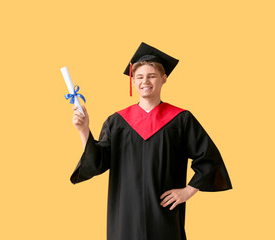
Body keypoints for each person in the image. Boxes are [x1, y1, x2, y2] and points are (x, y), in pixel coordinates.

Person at [70, 42, 232, 240]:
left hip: (164, 214)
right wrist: (84, 129)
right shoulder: (117, 121)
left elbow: (209, 157)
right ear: (133, 81)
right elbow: (97, 163)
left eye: (152, 76)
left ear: (164, 78)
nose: (144, 81)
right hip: (126, 215)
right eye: (139, 77)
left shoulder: (181, 119)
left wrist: (188, 191)